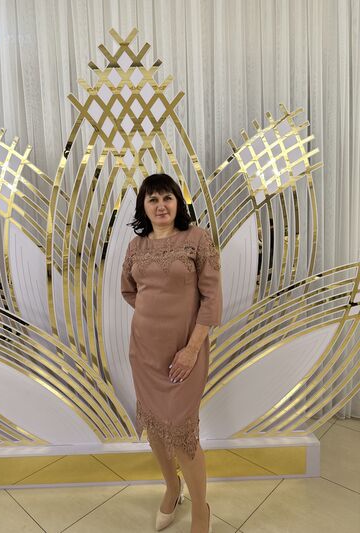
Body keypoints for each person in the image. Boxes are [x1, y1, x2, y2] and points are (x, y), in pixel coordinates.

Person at [121, 173, 222, 533]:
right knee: (155, 428)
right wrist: (154, 317)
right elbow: (129, 290)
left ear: (178, 202)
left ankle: (201, 511)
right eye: (153, 199)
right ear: (143, 207)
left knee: (181, 433)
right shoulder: (135, 246)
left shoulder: (197, 239)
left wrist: (191, 348)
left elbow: (212, 298)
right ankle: (171, 487)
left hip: (185, 354)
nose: (161, 205)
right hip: (144, 354)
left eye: (167, 197)